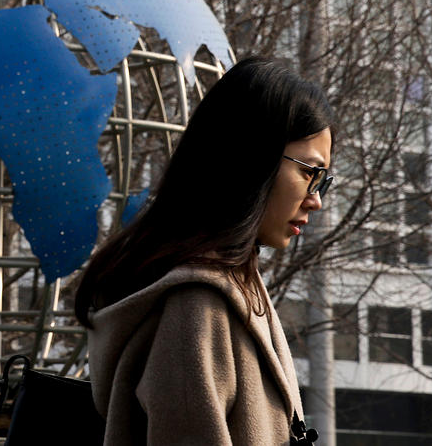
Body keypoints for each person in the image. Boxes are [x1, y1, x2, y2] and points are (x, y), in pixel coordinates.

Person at [75, 56, 333, 445]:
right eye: (309, 172)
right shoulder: (195, 307)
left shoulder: (231, 287)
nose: (316, 200)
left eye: (322, 180)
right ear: (250, 158)